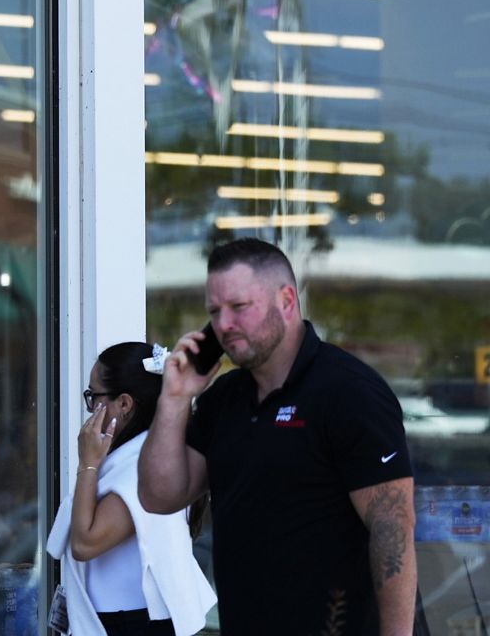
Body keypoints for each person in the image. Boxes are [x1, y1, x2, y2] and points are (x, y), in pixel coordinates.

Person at [138, 238, 416, 635]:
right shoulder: (224, 400)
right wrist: (175, 397)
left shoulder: (349, 391)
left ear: (286, 300)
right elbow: (159, 496)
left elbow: (393, 530)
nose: (224, 325)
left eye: (239, 307)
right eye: (214, 312)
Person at [46, 342, 215, 636]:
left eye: (93, 396)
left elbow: (85, 543)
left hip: (130, 624)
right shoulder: (145, 453)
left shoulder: (143, 464)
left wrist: (87, 463)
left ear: (124, 404)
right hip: (125, 619)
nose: (89, 408)